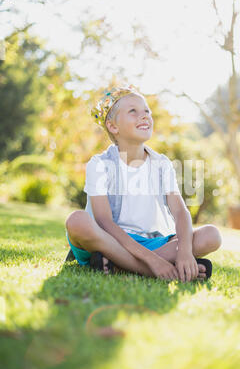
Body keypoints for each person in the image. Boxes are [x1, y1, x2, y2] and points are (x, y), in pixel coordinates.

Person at [65, 84, 222, 282]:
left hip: (152, 243)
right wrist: (153, 262)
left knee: (211, 235)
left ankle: (117, 265)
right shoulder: (100, 164)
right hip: (110, 241)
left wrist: (184, 251)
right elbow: (104, 222)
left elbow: (181, 212)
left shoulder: (161, 164)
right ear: (113, 126)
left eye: (147, 111)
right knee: (77, 221)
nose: (144, 115)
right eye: (133, 111)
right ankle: (152, 270)